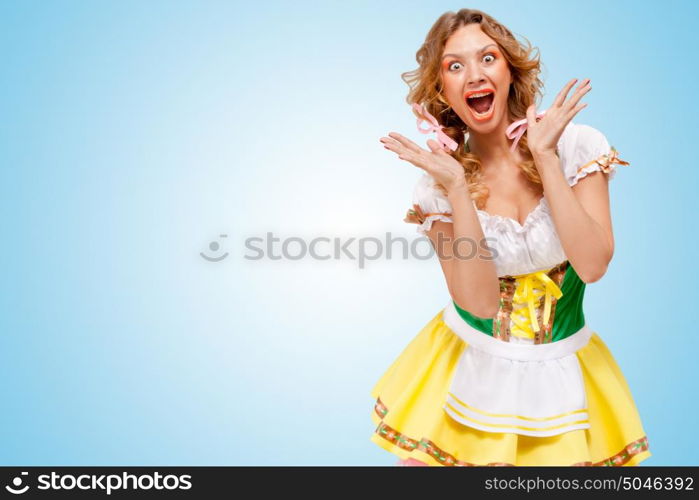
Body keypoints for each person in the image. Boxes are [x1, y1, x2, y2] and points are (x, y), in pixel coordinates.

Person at [372, 8, 650, 466]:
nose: (474, 75)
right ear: (442, 92)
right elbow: (479, 304)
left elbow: (593, 265)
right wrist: (459, 189)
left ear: (509, 71)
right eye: (454, 66)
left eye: (488, 58)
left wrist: (544, 158)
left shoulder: (575, 147)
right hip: (468, 368)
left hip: (566, 371)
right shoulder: (437, 187)